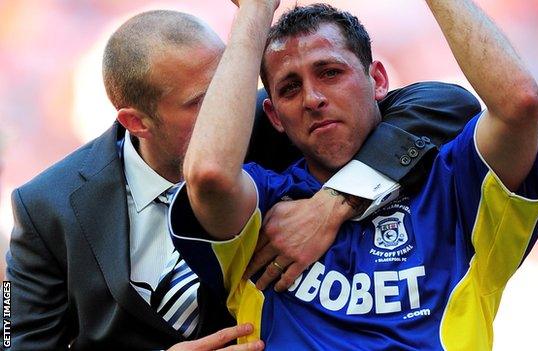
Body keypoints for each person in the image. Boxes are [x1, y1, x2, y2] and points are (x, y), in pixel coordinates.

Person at [5, 8, 478, 351]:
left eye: (231, 81)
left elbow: (445, 105)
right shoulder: (46, 207)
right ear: (137, 122)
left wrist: (334, 202)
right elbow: (16, 341)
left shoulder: (275, 121)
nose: (226, 110)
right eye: (201, 103)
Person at [170, 1, 538, 350]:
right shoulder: (266, 203)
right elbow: (208, 174)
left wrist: (336, 200)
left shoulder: (454, 188)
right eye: (290, 88)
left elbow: (519, 104)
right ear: (274, 117)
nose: (313, 98)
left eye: (330, 72)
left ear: (378, 81)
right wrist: (255, 9)